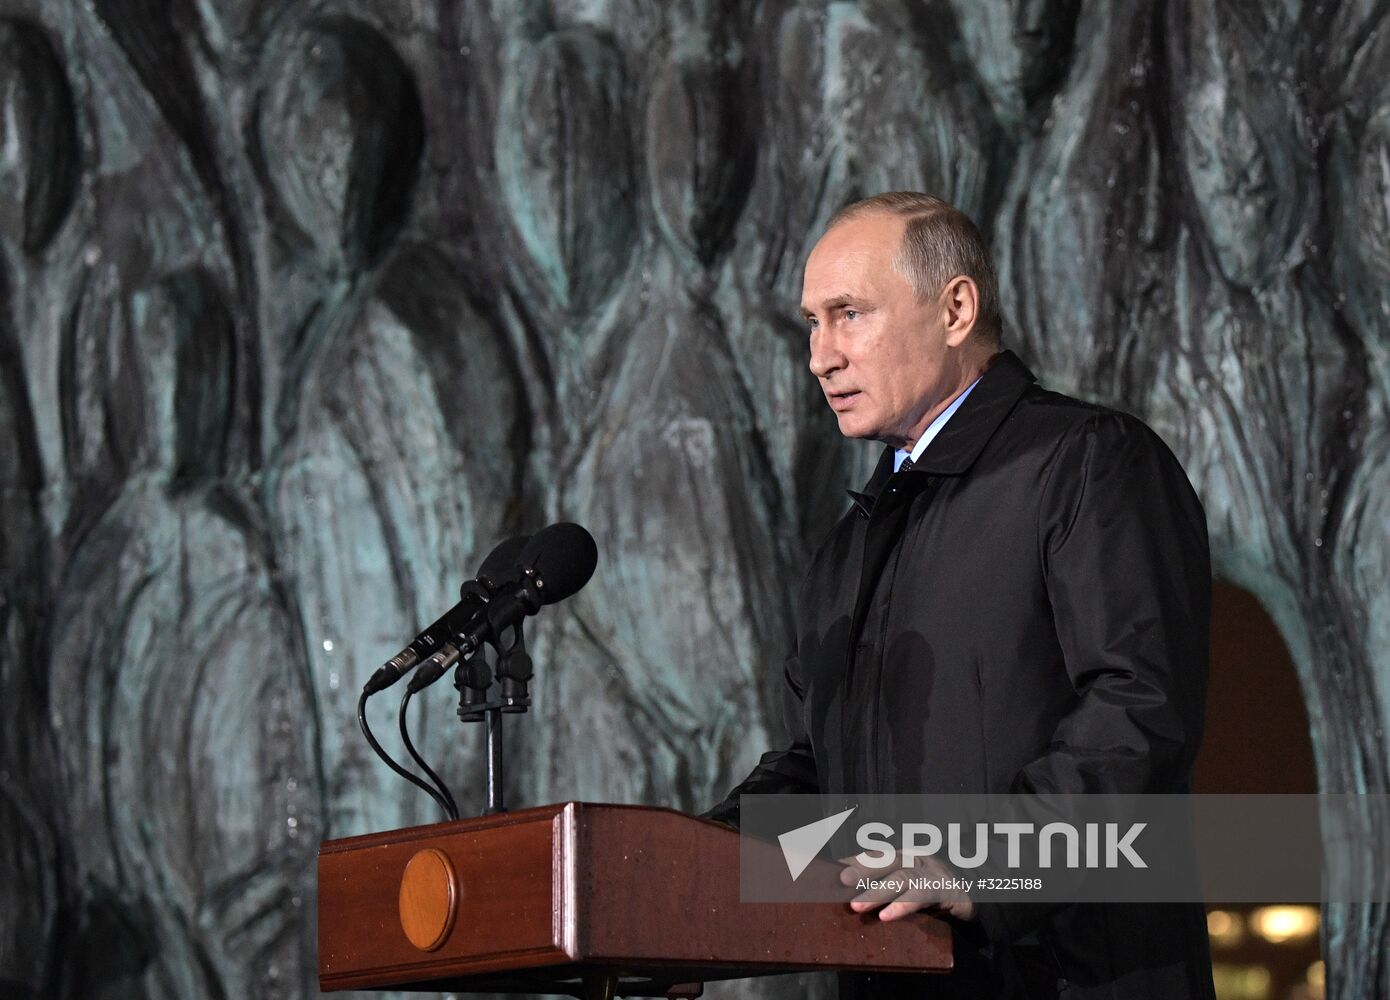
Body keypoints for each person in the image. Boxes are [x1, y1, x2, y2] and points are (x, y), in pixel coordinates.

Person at [704, 192, 1215, 999]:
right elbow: (817, 773)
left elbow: (1140, 708)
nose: (820, 356)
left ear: (956, 308)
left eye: (848, 315)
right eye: (812, 323)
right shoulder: (848, 545)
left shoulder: (1087, 464)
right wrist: (684, 892)